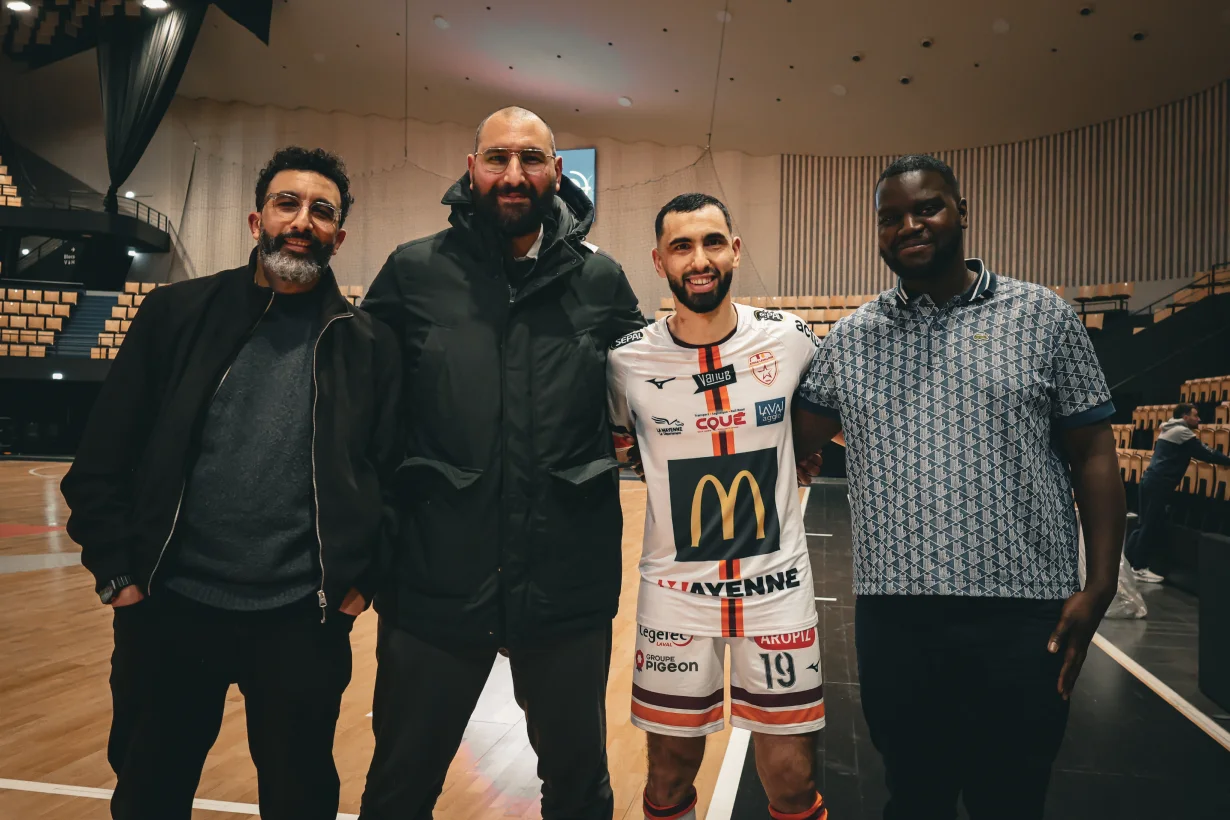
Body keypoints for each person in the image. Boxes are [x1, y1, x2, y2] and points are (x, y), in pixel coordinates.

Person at [59, 146, 402, 820]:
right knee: (149, 793)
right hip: (169, 608)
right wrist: (119, 577)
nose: (302, 221)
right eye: (287, 204)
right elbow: (103, 458)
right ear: (256, 220)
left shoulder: (368, 344)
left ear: (340, 234)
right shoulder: (176, 314)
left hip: (301, 620)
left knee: (300, 797)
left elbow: (394, 478)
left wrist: (365, 584)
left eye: (321, 211)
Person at [793, 154, 1126, 820]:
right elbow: (796, 429)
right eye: (891, 218)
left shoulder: (1043, 317)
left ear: (962, 211)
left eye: (927, 208)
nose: (909, 226)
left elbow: (1093, 452)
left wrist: (1101, 585)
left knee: (1011, 799)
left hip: (1024, 616)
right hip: (897, 618)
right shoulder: (855, 337)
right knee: (914, 797)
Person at [359, 106, 645, 820]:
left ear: (557, 172)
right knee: (399, 786)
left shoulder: (602, 280)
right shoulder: (412, 272)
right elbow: (362, 414)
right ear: (471, 168)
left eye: (530, 159)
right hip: (434, 583)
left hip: (565, 583)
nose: (513, 174)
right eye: (497, 158)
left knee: (578, 788)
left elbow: (655, 391)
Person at [609, 193, 828, 820]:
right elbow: (615, 451)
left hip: (777, 589)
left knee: (790, 775)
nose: (698, 259)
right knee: (668, 774)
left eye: (711, 242)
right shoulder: (625, 362)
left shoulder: (791, 341)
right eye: (681, 246)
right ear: (659, 260)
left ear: (735, 249)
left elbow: (832, 427)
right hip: (676, 594)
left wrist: (804, 453)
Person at [1125, 403, 1230, 582]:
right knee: (1149, 525)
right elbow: (1206, 453)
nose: (1199, 419)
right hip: (1158, 483)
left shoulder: (1169, 428)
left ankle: (1127, 564)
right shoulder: (1181, 432)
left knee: (1144, 523)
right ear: (1184, 416)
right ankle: (1138, 567)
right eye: (1195, 415)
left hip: (1150, 481)